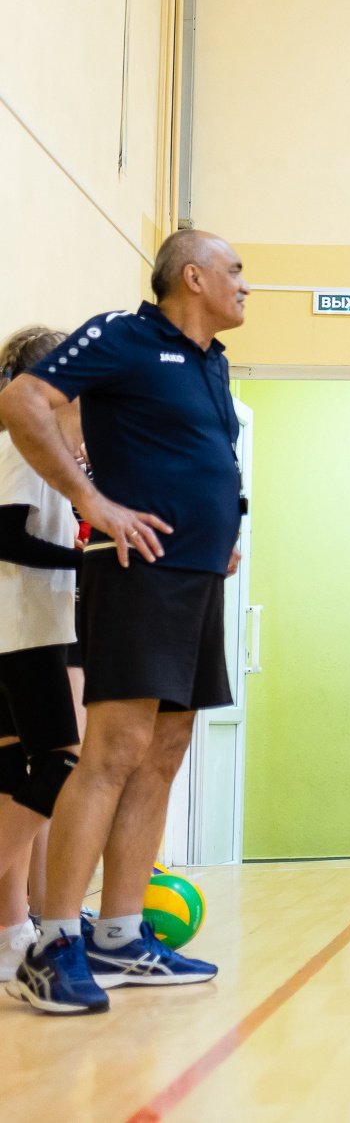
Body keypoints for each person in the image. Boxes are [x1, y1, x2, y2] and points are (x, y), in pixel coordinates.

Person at [0, 231, 248, 1013]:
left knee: (164, 751)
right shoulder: (125, 335)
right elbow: (21, 400)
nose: (246, 284)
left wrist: (226, 524)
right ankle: (52, 945)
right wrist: (92, 502)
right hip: (138, 574)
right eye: (235, 270)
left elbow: (205, 457)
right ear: (193, 276)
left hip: (197, 575)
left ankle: (119, 934)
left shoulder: (212, 363)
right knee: (111, 752)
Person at [0, 328, 86, 982]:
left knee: (15, 771)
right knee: (60, 763)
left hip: (29, 629)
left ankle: (12, 930)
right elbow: (6, 537)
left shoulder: (42, 449)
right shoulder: (24, 443)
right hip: (22, 632)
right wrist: (86, 563)